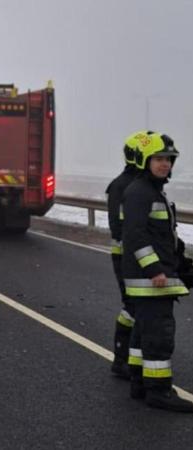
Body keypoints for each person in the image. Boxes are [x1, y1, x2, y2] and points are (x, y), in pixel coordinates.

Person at [122, 133, 192, 411]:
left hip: (151, 278)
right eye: (159, 159)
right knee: (159, 335)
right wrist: (154, 270)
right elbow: (136, 236)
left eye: (169, 160)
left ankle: (140, 383)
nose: (165, 164)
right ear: (145, 161)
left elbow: (162, 236)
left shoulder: (151, 191)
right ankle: (159, 391)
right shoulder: (141, 192)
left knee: (142, 332)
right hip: (151, 280)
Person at [106, 131, 154, 379]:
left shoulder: (143, 185)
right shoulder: (122, 186)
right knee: (132, 307)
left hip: (138, 256)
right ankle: (121, 357)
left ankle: (133, 360)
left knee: (141, 308)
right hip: (126, 257)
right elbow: (120, 227)